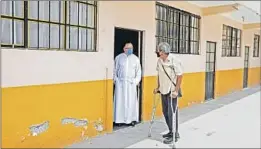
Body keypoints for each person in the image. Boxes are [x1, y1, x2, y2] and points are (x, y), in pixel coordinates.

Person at [153, 42, 183, 144]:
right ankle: (171, 131)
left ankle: (175, 134)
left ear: (165, 52)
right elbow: (159, 75)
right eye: (159, 52)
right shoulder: (159, 61)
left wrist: (176, 90)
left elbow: (179, 76)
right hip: (163, 90)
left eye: (160, 53)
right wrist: (158, 87)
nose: (159, 54)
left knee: (172, 113)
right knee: (165, 112)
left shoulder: (174, 60)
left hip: (171, 90)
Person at [113, 42, 142, 126]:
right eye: (128, 48)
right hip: (121, 84)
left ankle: (131, 120)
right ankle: (119, 120)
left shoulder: (136, 59)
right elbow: (114, 70)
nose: (130, 50)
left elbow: (138, 72)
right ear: (124, 49)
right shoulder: (118, 58)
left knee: (131, 102)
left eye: (131, 48)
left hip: (131, 84)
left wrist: (135, 82)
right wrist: (116, 80)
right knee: (120, 102)